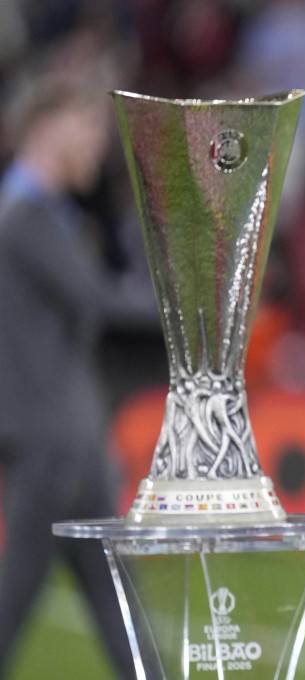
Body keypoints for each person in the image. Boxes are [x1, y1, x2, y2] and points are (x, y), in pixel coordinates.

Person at [0, 80, 135, 679]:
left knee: (116, 607)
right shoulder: (25, 218)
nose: (97, 146)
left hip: (65, 439)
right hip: (54, 441)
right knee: (20, 600)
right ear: (48, 127)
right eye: (89, 129)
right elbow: (98, 299)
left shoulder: (39, 214)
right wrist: (195, 299)